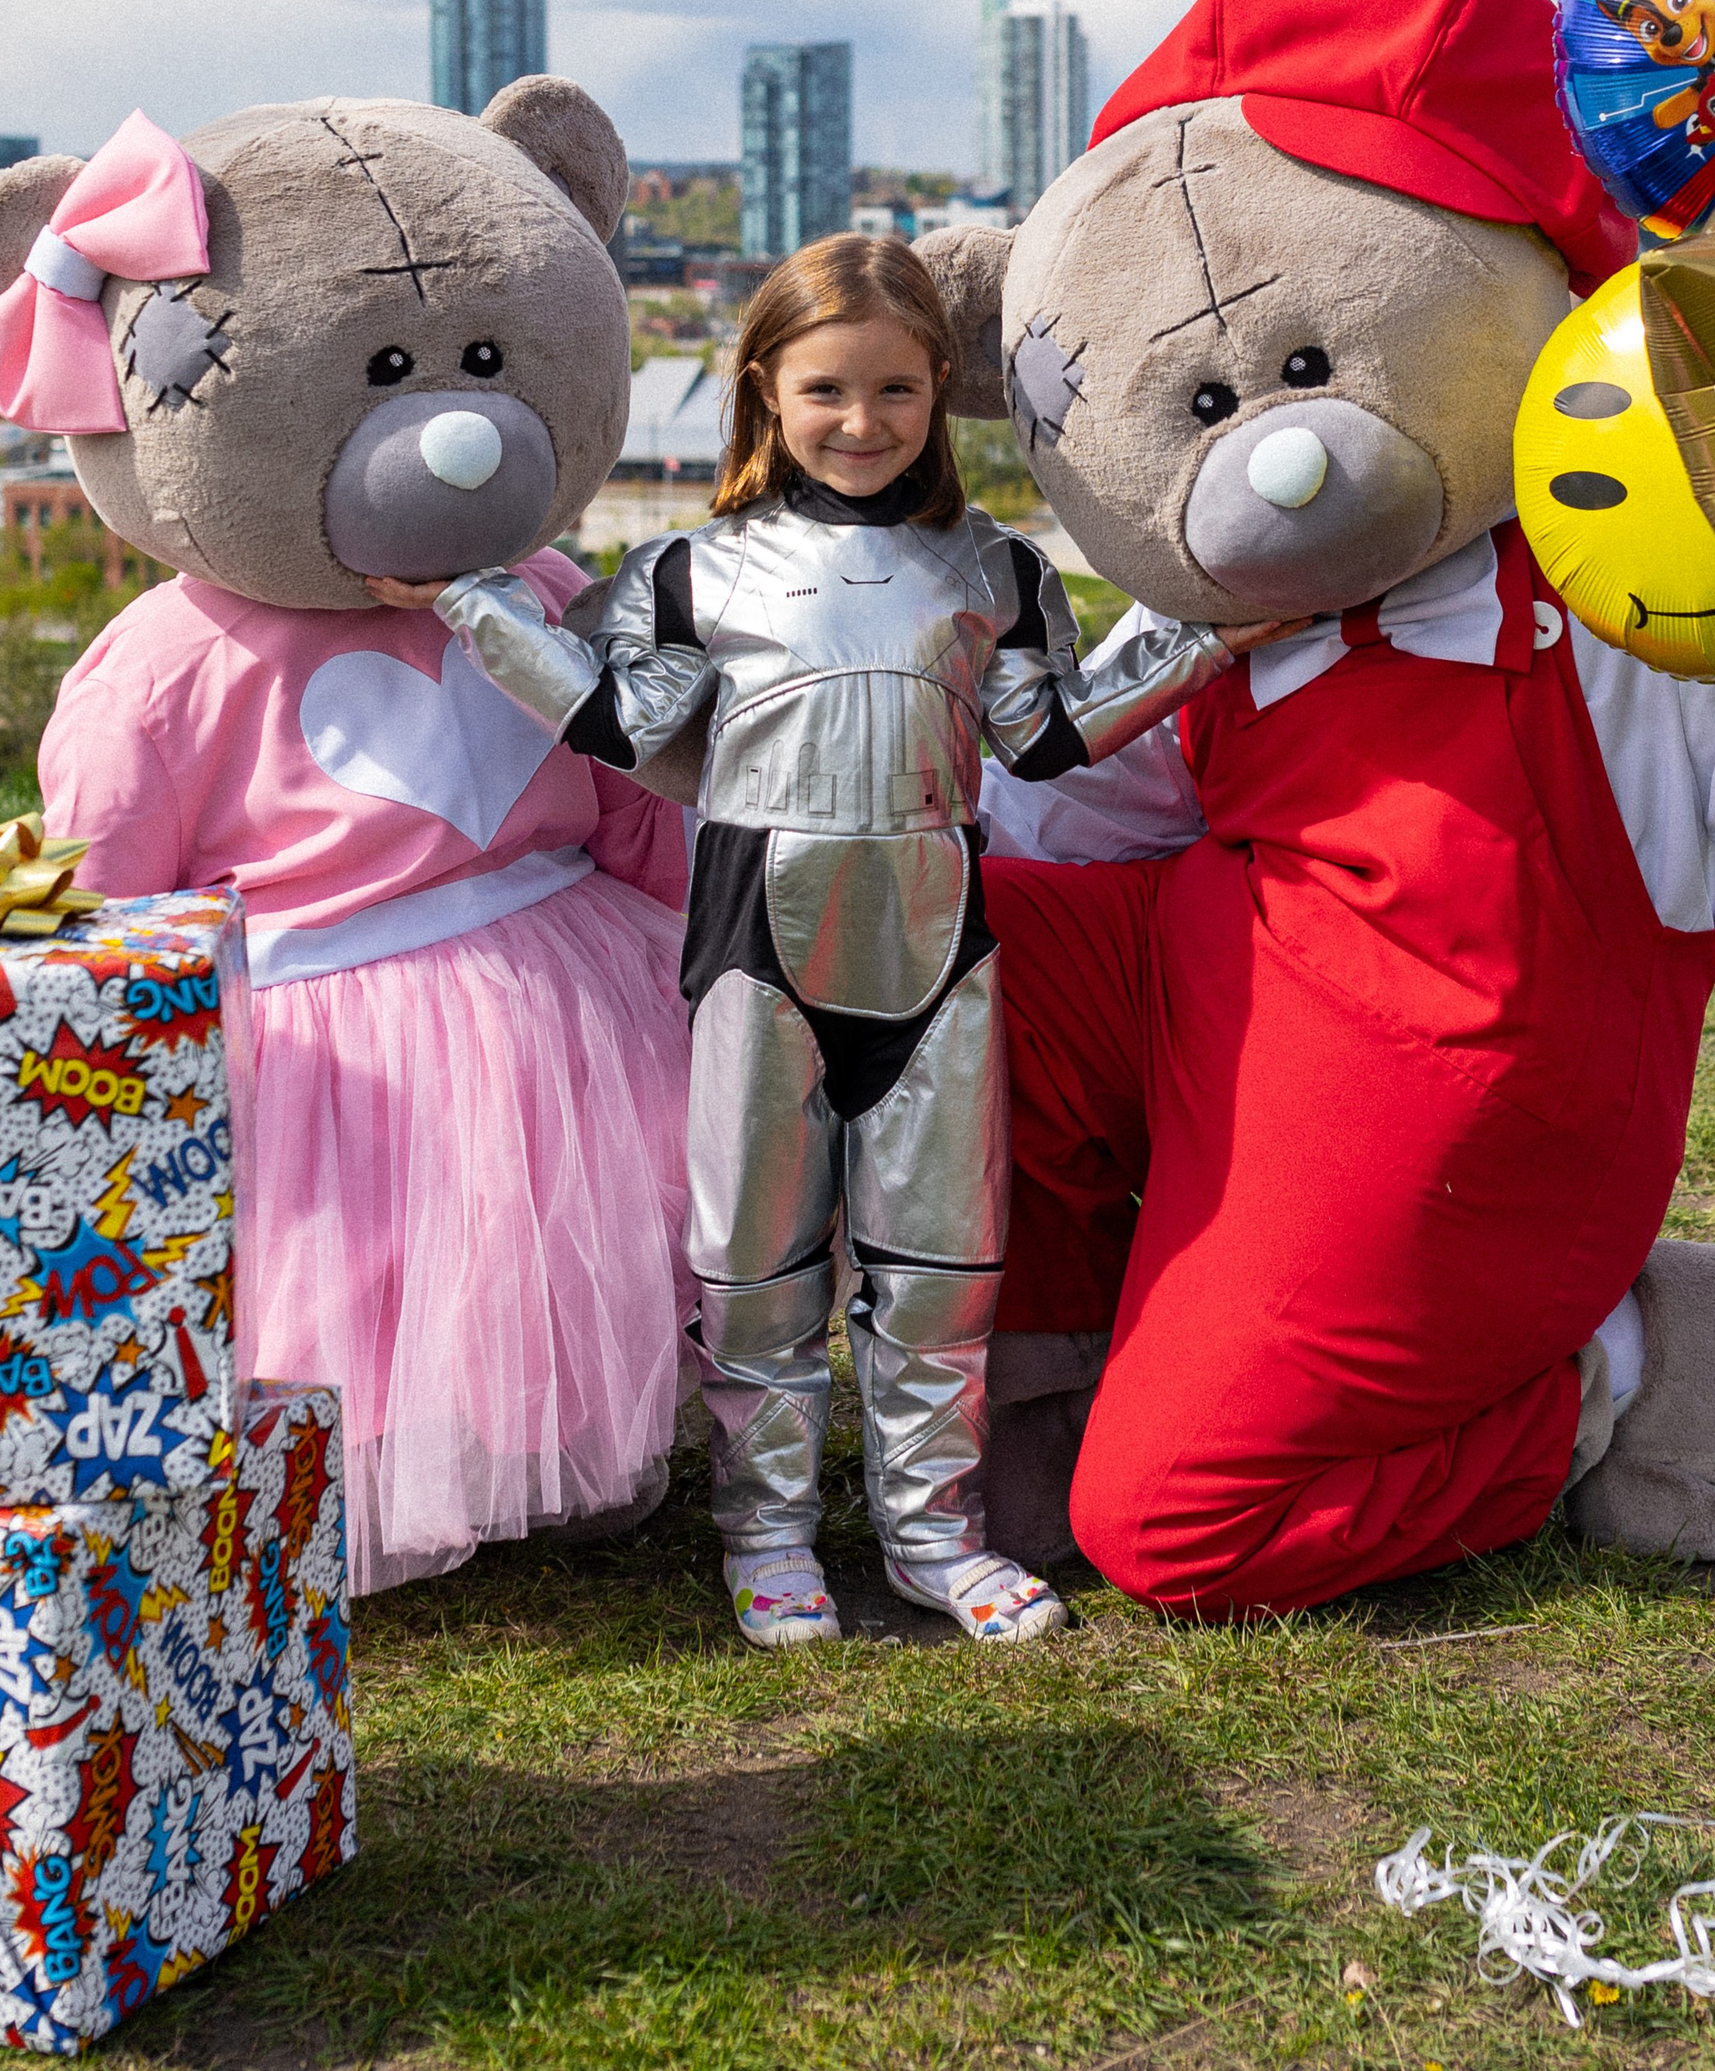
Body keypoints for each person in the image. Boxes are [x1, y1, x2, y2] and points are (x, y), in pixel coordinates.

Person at [370, 234, 1274, 1646]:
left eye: (897, 389)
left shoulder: (995, 568)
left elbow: (1044, 740)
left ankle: (935, 1533)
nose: (864, 420)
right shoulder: (692, 570)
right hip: (757, 945)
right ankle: (768, 1531)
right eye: (828, 390)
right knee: (756, 1261)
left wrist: (1205, 635)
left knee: (945, 1261)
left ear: (938, 391)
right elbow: (622, 723)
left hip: (939, 951)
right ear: (765, 393)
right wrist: (473, 602)